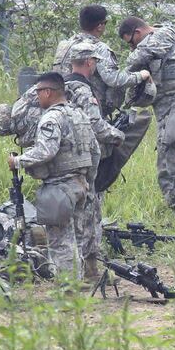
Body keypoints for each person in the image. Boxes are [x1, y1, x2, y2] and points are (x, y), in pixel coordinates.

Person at [7, 72, 98, 280]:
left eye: (38, 92)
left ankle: (68, 285)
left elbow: (45, 151)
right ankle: (81, 278)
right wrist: (89, 180)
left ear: (48, 92)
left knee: (60, 239)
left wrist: (17, 161)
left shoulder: (51, 118)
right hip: (81, 184)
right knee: (77, 235)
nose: (37, 97)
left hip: (59, 186)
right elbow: (95, 151)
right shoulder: (80, 115)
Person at [119, 17, 175, 223]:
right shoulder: (172, 31)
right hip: (171, 108)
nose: (132, 47)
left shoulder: (159, 37)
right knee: (165, 161)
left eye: (131, 42)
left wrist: (127, 71)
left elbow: (133, 61)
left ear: (138, 32)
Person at [64, 42, 127, 281]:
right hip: (85, 162)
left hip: (63, 162)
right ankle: (90, 271)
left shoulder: (60, 86)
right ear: (90, 63)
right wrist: (118, 136)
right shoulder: (83, 90)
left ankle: (76, 271)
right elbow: (96, 125)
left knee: (70, 218)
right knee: (89, 216)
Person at [53, 4, 150, 116]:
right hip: (89, 106)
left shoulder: (64, 45)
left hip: (62, 104)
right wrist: (140, 76)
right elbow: (113, 79)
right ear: (100, 26)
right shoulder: (99, 48)